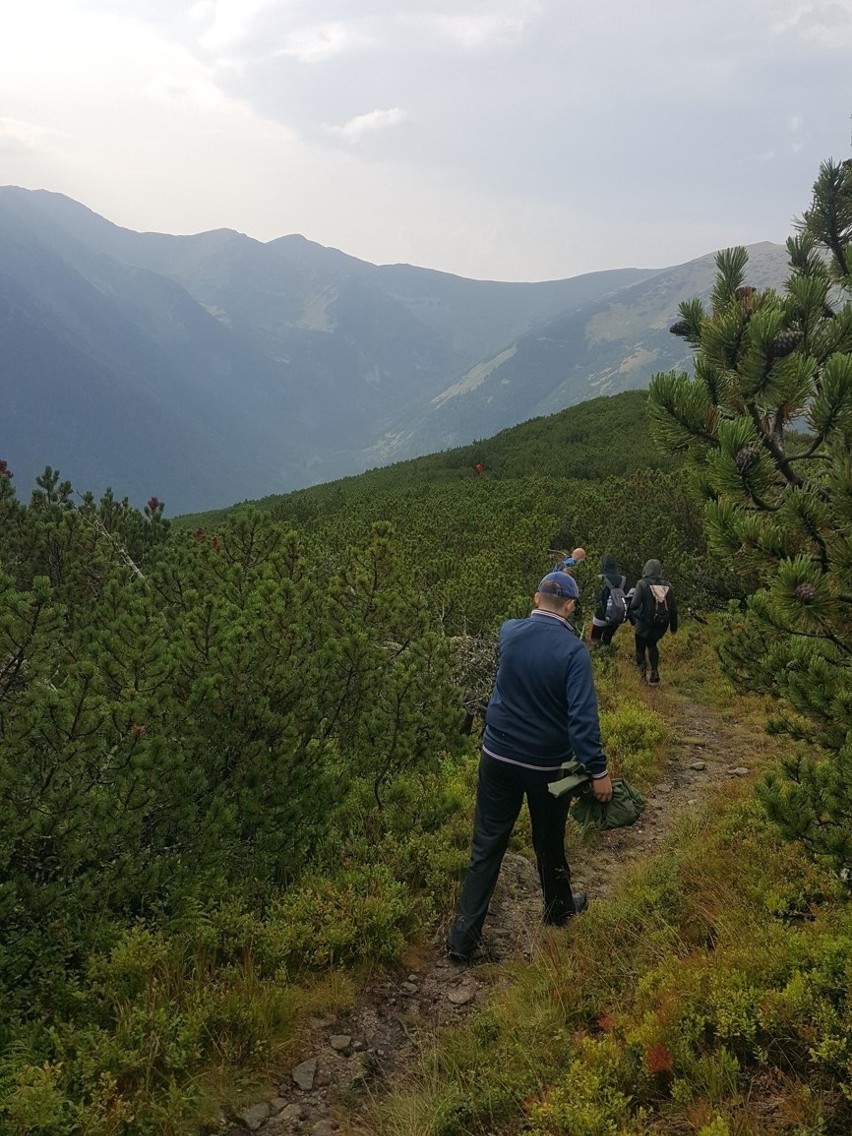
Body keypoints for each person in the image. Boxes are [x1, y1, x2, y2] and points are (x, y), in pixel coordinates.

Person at [447, 571, 613, 965]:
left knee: (486, 845)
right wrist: (599, 771)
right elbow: (582, 722)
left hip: (498, 756)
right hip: (546, 767)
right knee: (549, 841)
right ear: (572, 607)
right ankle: (557, 911)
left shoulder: (510, 632)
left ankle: (462, 940)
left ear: (536, 598)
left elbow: (531, 622)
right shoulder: (574, 653)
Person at [628, 559, 678, 684]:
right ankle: (654, 672)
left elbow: (634, 605)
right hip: (661, 624)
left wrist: (636, 617)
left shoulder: (642, 584)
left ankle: (642, 677)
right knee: (652, 644)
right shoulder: (668, 585)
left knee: (640, 648)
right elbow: (673, 608)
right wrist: (673, 627)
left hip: (645, 623)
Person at [590, 553, 630, 647]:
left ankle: (600, 658)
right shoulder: (623, 579)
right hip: (617, 615)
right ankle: (608, 652)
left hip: (601, 615)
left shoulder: (600, 578)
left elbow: (597, 597)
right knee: (607, 638)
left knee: (595, 638)